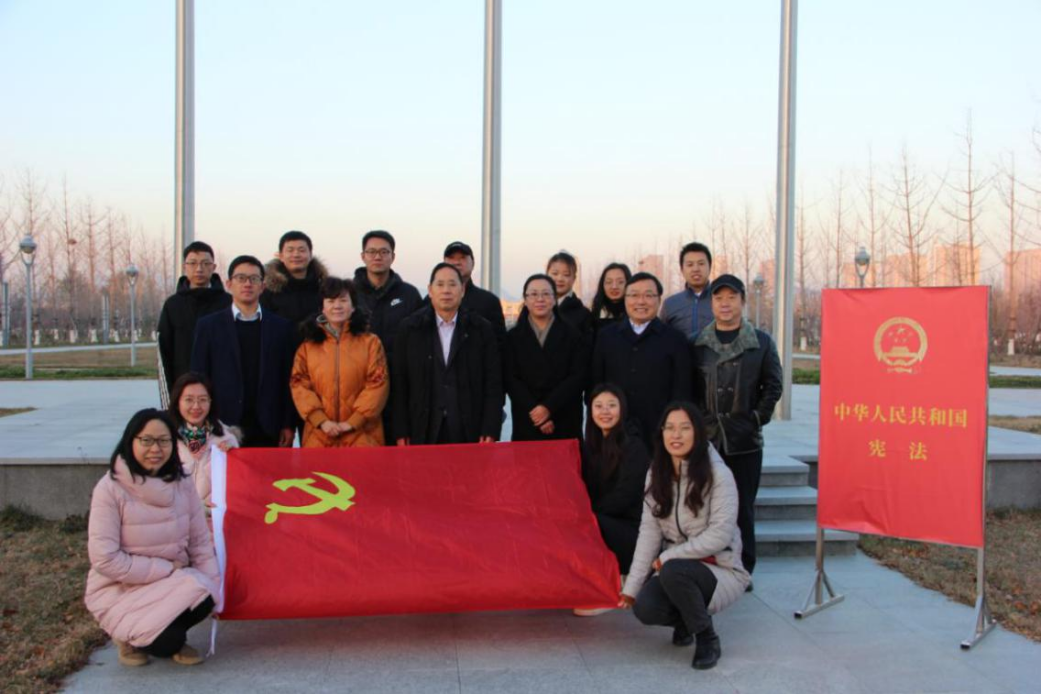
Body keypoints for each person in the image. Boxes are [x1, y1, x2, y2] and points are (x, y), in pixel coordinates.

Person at [84, 408, 220, 667]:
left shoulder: (182, 483)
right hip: (122, 587)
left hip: (171, 580)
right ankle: (130, 637)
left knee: (206, 596)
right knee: (166, 644)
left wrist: (214, 588)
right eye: (147, 440)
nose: (155, 449)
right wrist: (166, 569)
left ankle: (166, 634)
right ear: (130, 441)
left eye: (164, 441)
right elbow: (105, 559)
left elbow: (200, 542)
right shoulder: (110, 489)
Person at [619, 402, 749, 671]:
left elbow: (720, 535)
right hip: (677, 569)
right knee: (645, 608)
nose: (676, 435)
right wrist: (631, 588)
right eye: (669, 428)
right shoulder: (657, 473)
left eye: (684, 428)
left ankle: (706, 638)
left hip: (720, 567)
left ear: (698, 433)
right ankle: (687, 621)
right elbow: (649, 533)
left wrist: (669, 556)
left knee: (674, 570)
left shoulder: (719, 475)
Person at [692, 274, 783, 577]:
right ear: (711, 303)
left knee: (743, 507)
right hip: (707, 439)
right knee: (704, 506)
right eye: (719, 298)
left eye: (732, 297)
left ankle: (744, 568)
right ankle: (707, 565)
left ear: (742, 301)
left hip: (744, 441)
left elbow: (773, 386)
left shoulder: (761, 342)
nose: (725, 303)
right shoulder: (697, 343)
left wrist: (755, 419)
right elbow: (689, 389)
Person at [191, 255, 296, 448]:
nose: (247, 284)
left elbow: (288, 378)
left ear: (262, 286)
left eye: (254, 279)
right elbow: (199, 376)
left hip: (269, 426)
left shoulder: (281, 327)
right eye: (241, 278)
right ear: (229, 284)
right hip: (222, 425)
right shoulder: (209, 326)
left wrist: (288, 424)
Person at [393, 263, 503, 445]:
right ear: (430, 290)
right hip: (422, 426)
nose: (446, 290)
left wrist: (490, 427)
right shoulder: (410, 329)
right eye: (440, 284)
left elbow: (493, 383)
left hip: (469, 427)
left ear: (462, 290)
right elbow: (399, 382)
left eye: (452, 284)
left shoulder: (481, 329)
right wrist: (401, 430)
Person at [591, 272, 692, 448]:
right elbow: (596, 384)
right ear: (625, 299)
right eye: (634, 295)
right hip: (615, 432)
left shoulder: (675, 339)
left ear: (659, 300)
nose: (641, 301)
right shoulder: (606, 337)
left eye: (648, 295)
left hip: (659, 433)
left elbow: (682, 390)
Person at [575, 384, 649, 617]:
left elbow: (626, 495)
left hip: (633, 530)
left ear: (622, 409)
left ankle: (611, 589)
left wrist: (589, 515)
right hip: (604, 520)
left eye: (611, 405)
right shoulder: (591, 446)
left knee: (590, 524)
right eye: (598, 406)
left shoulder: (634, 445)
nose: (605, 411)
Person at [291, 277, 390, 448]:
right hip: (319, 437)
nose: (337, 306)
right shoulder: (308, 347)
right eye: (331, 301)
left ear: (353, 306)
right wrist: (321, 421)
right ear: (323, 307)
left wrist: (353, 422)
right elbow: (299, 384)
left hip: (363, 436)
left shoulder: (371, 343)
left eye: (343, 300)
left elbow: (378, 383)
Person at [352, 229, 422, 442]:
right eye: (371, 252)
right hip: (358, 388)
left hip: (399, 387)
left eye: (384, 252)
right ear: (363, 256)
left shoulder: (409, 294)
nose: (378, 257)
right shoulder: (349, 294)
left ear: (393, 256)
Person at [504, 274, 587, 441]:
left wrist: (548, 408)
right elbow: (511, 379)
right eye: (534, 294)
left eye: (546, 294)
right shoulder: (512, 337)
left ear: (554, 299)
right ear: (525, 300)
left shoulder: (573, 335)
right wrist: (536, 412)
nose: (540, 299)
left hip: (564, 418)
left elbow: (577, 377)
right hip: (527, 419)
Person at [157, 241, 232, 403]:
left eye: (205, 263)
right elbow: (163, 353)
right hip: (184, 392)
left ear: (213, 267)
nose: (199, 269)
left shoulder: (228, 303)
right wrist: (168, 401)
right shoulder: (173, 305)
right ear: (184, 267)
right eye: (193, 263)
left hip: (222, 390)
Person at [168, 372, 239, 507]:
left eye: (202, 399)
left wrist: (232, 456)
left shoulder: (226, 439)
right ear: (177, 402)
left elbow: (235, 484)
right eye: (189, 400)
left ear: (210, 402)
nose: (196, 406)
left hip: (211, 513)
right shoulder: (165, 438)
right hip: (175, 513)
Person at [260, 230, 328, 332]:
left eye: (301, 250)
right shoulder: (268, 290)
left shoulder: (324, 288)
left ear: (310, 255)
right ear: (281, 256)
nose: (296, 255)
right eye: (290, 250)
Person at [442, 241, 506, 340]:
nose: (457, 262)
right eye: (451, 258)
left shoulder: (489, 302)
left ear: (473, 263)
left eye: (462, 258)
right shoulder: (431, 301)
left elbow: (500, 343)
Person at [661, 242, 714, 340]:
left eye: (701, 264)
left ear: (710, 267)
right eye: (690, 265)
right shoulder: (670, 304)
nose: (696, 269)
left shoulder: (720, 301)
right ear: (682, 269)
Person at [546, 251, 593, 336]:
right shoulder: (535, 308)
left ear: (574, 278)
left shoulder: (584, 315)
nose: (560, 279)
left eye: (566, 275)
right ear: (546, 275)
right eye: (555, 273)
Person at [590, 262, 631, 333]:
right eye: (609, 282)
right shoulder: (594, 315)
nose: (614, 287)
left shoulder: (636, 314)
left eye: (620, 282)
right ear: (602, 286)